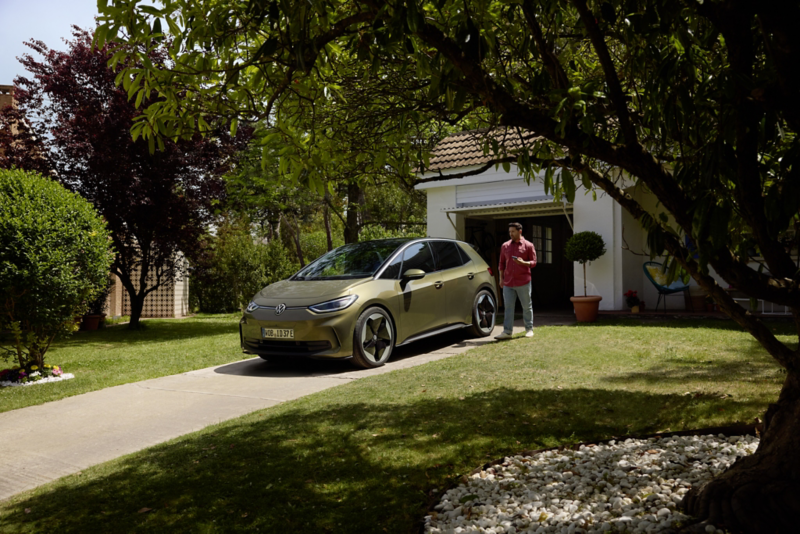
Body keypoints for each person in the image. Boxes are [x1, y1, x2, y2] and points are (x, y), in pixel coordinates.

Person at [495, 222, 536, 340]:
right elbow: (501, 263)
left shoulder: (528, 245)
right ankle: (507, 332)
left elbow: (534, 262)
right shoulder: (505, 246)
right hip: (508, 282)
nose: (511, 234)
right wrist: (501, 278)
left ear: (520, 231)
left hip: (523, 281)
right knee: (508, 307)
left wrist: (523, 263)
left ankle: (529, 329)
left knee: (526, 306)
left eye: (513, 231)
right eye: (509, 232)